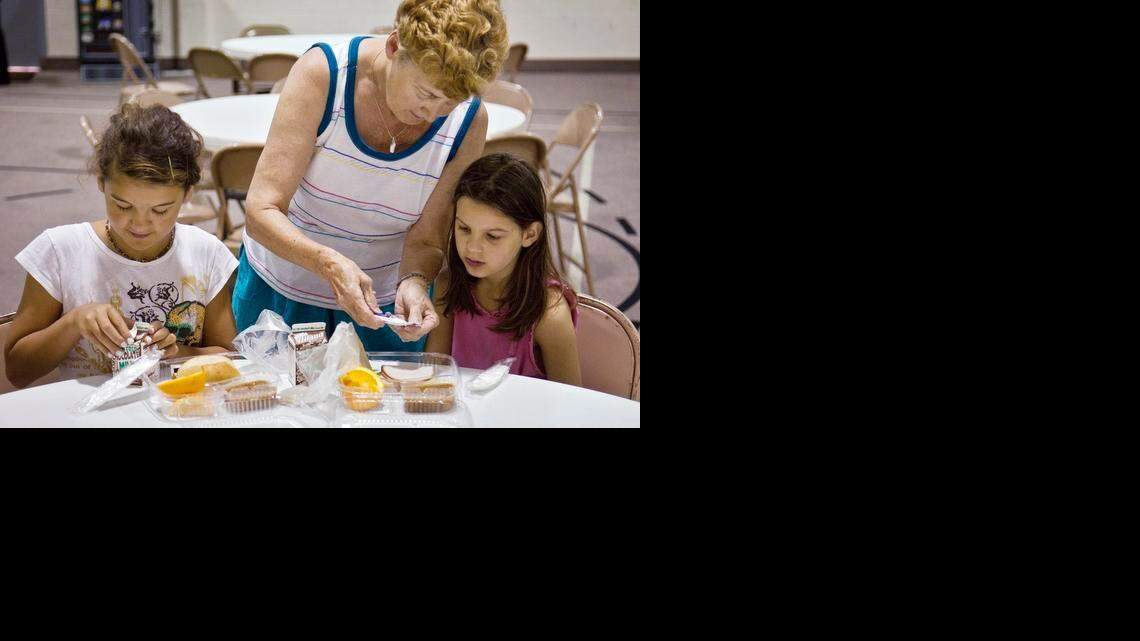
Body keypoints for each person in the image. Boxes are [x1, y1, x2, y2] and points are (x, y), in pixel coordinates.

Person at [235, 0, 509, 351]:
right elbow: (262, 210)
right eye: (427, 94)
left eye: (450, 103)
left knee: (382, 402)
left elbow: (428, 236)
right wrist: (328, 262)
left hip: (382, 306)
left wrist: (413, 281)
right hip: (284, 290)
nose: (434, 114)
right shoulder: (324, 76)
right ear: (395, 46)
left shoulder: (469, 121)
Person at [4, 104, 239, 387]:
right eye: (122, 205)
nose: (139, 225)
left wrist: (176, 353)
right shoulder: (60, 251)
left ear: (188, 194)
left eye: (161, 210)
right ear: (102, 183)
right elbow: (17, 369)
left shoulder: (206, 254)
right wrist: (74, 321)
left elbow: (231, 358)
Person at [425, 154, 581, 385]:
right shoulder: (448, 285)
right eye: (464, 228)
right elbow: (433, 375)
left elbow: (570, 406)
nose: (473, 248)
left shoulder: (549, 314)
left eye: (492, 236)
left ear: (529, 235)